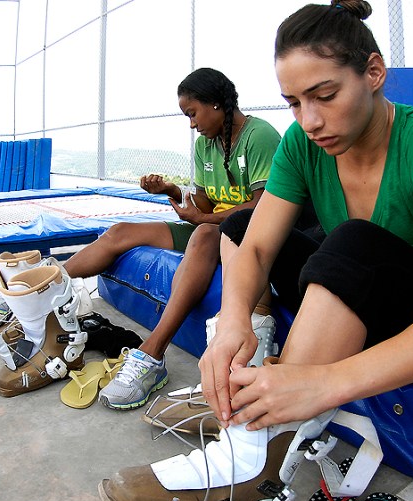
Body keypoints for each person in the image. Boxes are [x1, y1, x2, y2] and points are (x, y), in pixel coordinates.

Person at [98, 2, 413, 501]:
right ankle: (258, 371)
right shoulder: (302, 143)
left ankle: (262, 448)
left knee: (354, 241)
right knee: (239, 225)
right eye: (293, 103)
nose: (309, 120)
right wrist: (232, 325)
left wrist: (328, 384)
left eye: (326, 95)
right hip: (351, 288)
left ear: (374, 74)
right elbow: (255, 247)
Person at [62, 67, 282, 411]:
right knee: (121, 232)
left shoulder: (259, 135)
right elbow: (206, 203)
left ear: (216, 104)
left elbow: (264, 207)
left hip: (246, 234)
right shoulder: (204, 146)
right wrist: (173, 192)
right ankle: (48, 284)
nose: (192, 124)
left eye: (192, 114)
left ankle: (152, 355)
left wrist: (205, 219)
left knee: (205, 235)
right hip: (211, 225)